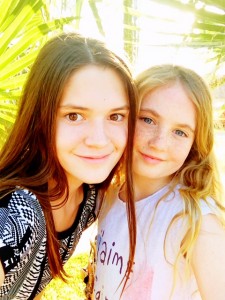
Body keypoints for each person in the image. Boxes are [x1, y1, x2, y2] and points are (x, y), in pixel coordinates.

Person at [0, 32, 138, 299]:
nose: (98, 140)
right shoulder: (20, 210)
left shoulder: (89, 195)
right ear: (40, 118)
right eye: (74, 116)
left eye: (116, 116)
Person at [95, 64, 225, 299]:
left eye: (180, 132)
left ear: (195, 144)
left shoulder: (195, 219)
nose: (159, 143)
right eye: (147, 120)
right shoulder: (109, 195)